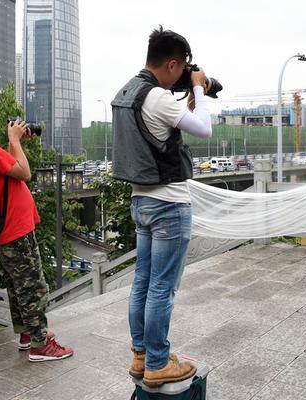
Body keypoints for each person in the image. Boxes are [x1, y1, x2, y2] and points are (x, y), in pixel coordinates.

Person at [111, 27, 212, 387]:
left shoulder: (126, 91)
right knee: (162, 288)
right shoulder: (157, 97)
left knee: (142, 282)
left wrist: (185, 97)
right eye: (183, 67)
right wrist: (199, 87)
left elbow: (154, 134)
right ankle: (157, 362)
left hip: (140, 200)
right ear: (172, 63)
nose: (184, 73)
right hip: (168, 204)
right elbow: (204, 130)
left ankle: (141, 355)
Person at [0, 100, 73, 362]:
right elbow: (23, 173)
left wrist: (17, 143)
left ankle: (27, 334)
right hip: (15, 227)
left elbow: (5, 167)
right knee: (33, 286)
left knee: (18, 285)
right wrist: (14, 140)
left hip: (7, 228)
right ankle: (40, 345)